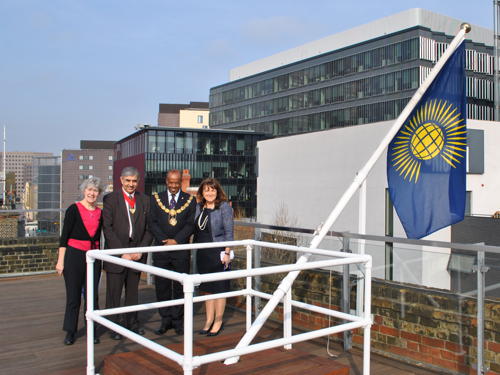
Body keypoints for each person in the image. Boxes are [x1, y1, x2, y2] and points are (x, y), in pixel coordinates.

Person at [102, 166, 153, 340]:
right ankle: (114, 327)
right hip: (117, 254)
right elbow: (107, 229)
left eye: (134, 181)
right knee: (114, 293)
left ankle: (132, 324)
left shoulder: (145, 200)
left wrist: (140, 250)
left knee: (132, 293)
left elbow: (149, 229)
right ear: (121, 181)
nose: (131, 184)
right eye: (128, 181)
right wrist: (121, 253)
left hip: (137, 254)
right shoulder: (110, 199)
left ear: (138, 182)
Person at [56, 177, 103, 345]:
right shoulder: (73, 209)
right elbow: (64, 238)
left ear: (99, 193)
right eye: (89, 190)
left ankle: (93, 330)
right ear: (84, 191)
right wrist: (60, 261)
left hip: (94, 257)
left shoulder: (100, 212)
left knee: (92, 296)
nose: (92, 193)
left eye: (95, 190)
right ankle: (70, 331)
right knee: (73, 296)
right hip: (74, 256)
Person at [149, 170, 196, 335]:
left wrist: (176, 240)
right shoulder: (155, 198)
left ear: (181, 182)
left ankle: (177, 320)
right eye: (171, 182)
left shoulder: (190, 200)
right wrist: (164, 240)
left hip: (180, 249)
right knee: (161, 285)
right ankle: (165, 319)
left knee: (179, 286)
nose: (174, 185)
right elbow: (152, 222)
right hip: (161, 249)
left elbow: (190, 224)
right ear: (166, 181)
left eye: (177, 182)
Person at [194, 178, 234, 336]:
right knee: (207, 290)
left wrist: (227, 252)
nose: (209, 193)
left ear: (217, 191)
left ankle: (218, 322)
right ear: (202, 193)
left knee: (219, 289)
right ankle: (208, 321)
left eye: (212, 190)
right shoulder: (199, 207)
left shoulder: (224, 207)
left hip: (218, 252)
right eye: (206, 190)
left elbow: (229, 232)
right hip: (203, 252)